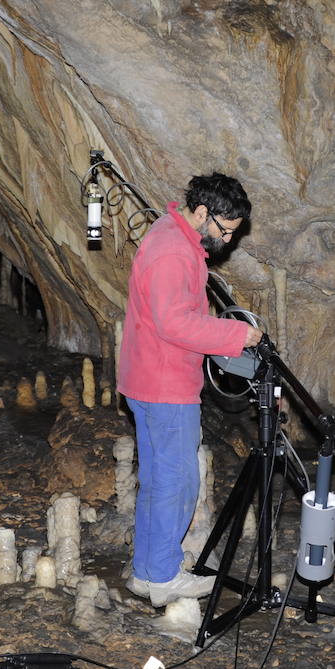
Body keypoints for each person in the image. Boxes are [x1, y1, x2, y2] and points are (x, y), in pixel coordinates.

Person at [117, 172, 264, 606]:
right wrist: (236, 335)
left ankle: (147, 571)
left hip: (151, 377)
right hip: (163, 384)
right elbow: (174, 322)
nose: (227, 240)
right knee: (176, 483)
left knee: (159, 480)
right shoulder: (171, 252)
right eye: (224, 230)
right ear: (202, 212)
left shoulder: (173, 237)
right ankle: (163, 578)